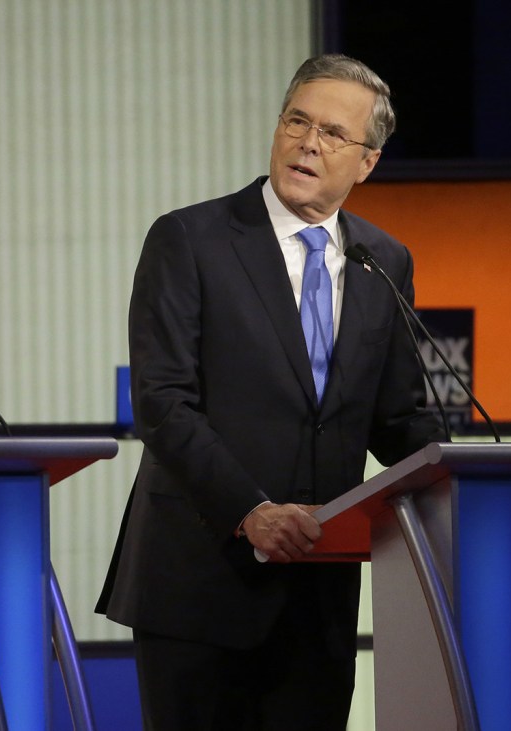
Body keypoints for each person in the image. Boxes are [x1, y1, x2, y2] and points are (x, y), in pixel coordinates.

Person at [96, 55, 444, 730]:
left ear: (367, 161)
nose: (309, 142)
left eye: (333, 134)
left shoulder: (384, 260)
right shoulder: (190, 239)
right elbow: (165, 403)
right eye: (297, 121)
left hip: (319, 593)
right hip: (199, 583)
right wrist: (249, 507)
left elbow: (397, 416)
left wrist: (464, 480)